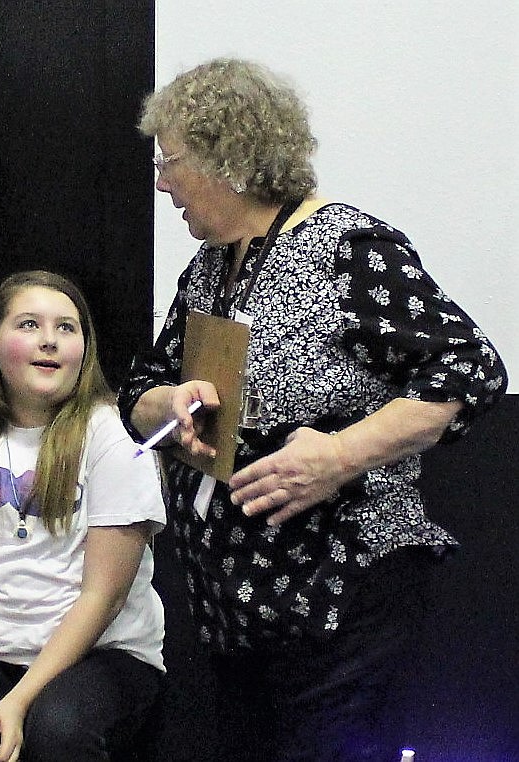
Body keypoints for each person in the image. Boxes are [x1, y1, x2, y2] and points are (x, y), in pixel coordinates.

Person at [117, 58, 508, 761]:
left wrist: (337, 457)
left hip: (339, 590)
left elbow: (469, 369)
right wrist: (166, 404)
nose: (161, 182)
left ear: (227, 159)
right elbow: (138, 388)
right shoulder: (212, 265)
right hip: (235, 608)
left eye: (169, 161)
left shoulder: (348, 249)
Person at [0, 270, 166, 762]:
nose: (49, 341)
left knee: (56, 730)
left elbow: (101, 597)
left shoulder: (111, 434)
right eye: (29, 324)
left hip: (101, 655)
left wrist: (18, 703)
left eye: (67, 328)